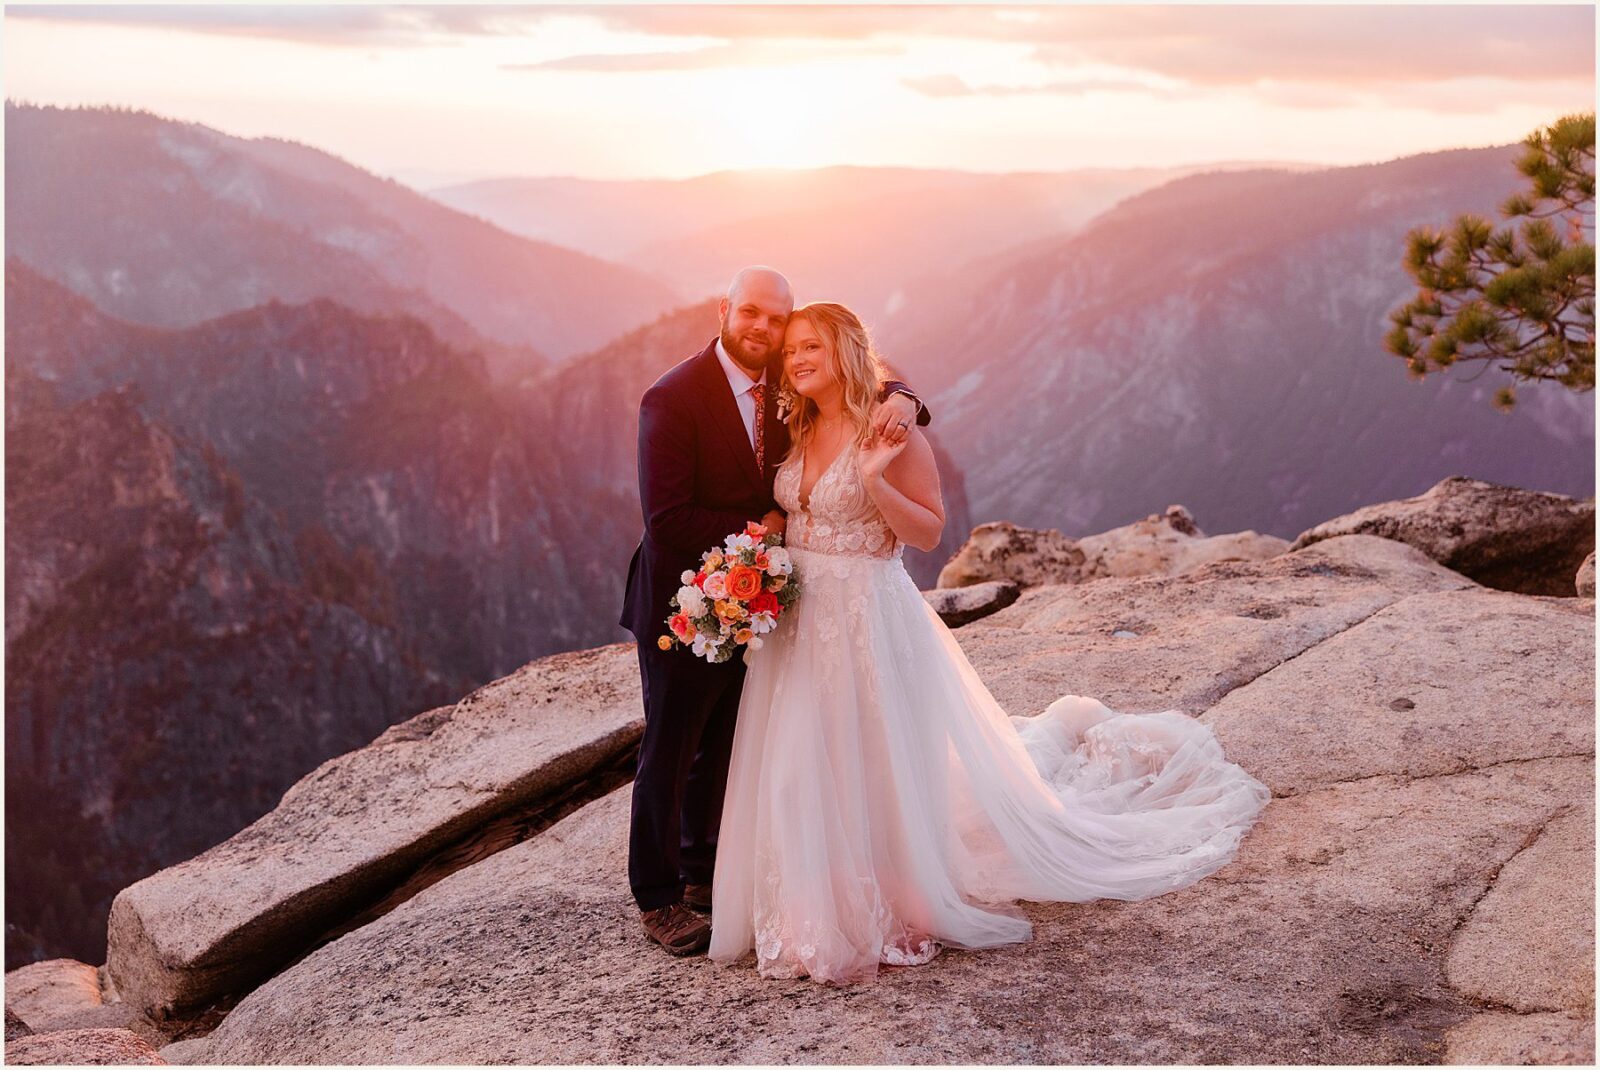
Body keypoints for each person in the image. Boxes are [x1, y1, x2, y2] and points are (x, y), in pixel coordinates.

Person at [706, 301, 1273, 984]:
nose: (796, 359)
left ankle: (888, 897)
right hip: (801, 622)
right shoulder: (794, 423)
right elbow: (790, 506)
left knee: (874, 760)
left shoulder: (888, 429)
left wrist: (876, 478)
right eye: (791, 348)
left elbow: (925, 534)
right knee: (805, 759)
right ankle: (807, 902)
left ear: (846, 353)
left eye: (812, 348)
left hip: (865, 618)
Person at [618, 268, 930, 956]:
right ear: (724, 309)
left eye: (776, 321)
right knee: (669, 749)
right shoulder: (672, 398)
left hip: (765, 604)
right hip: (684, 604)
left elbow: (851, 382)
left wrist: (906, 398)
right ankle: (658, 897)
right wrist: (761, 525)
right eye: (751, 313)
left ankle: (705, 875)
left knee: (729, 744)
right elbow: (667, 519)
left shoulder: (788, 389)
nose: (763, 329)